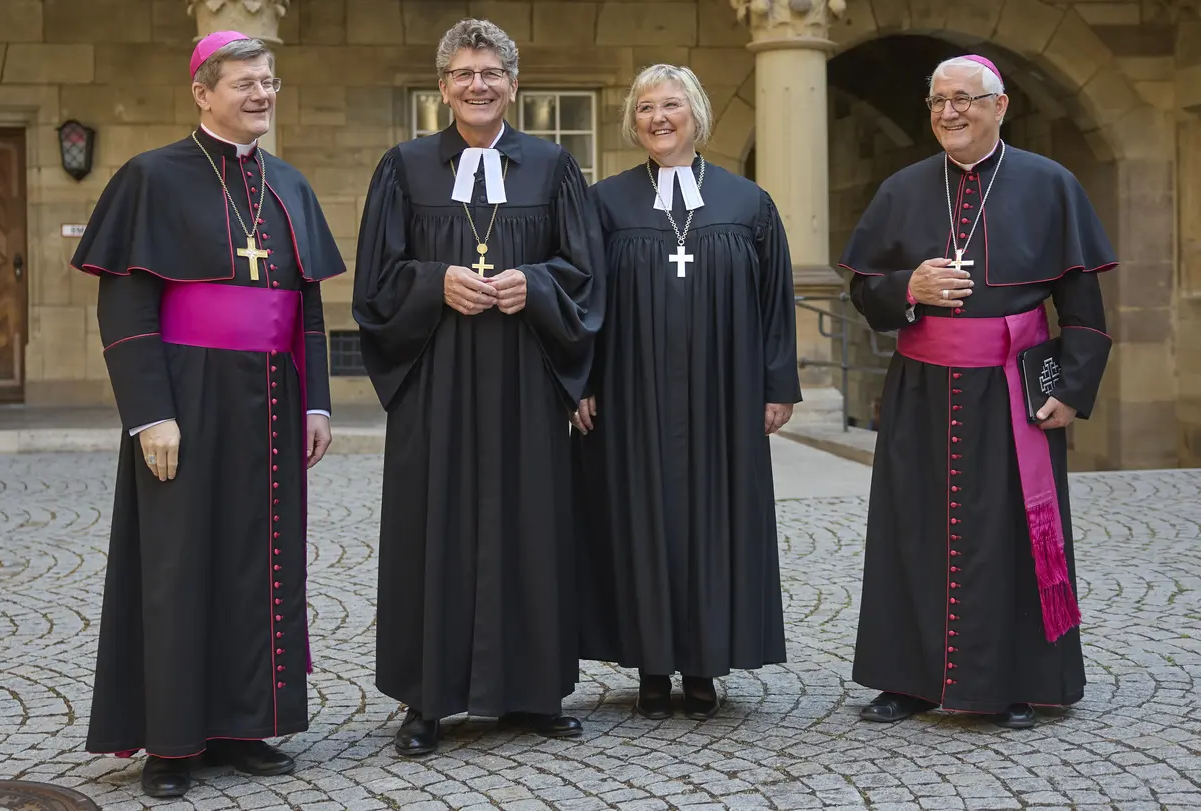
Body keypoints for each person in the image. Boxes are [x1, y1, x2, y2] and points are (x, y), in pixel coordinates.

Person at [70, 32, 346, 797]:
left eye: (270, 81)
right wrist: (149, 412)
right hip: (185, 397)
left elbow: (307, 306)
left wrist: (317, 397)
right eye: (246, 83)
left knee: (259, 564)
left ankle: (242, 722)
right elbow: (125, 303)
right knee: (178, 565)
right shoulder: (150, 177)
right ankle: (172, 742)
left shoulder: (289, 183)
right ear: (203, 91)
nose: (262, 94)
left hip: (271, 398)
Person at [840, 55, 1117, 730]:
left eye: (964, 99)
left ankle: (1014, 679)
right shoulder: (902, 188)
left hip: (1011, 393)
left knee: (1014, 535)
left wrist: (1073, 389)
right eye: (937, 101)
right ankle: (906, 679)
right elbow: (861, 290)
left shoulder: (1049, 185)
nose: (949, 112)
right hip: (919, 393)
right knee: (911, 529)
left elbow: (1082, 307)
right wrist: (908, 286)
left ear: (1000, 107)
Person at [352, 18, 604, 756]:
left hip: (526, 379)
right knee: (434, 527)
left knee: (533, 525)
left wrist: (537, 283)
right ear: (442, 87)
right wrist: (437, 283)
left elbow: (587, 275)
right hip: (438, 381)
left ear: (513, 84)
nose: (478, 85)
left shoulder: (554, 167)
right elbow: (376, 283)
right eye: (463, 73)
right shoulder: (403, 167)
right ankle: (427, 698)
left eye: (491, 72)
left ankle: (532, 692)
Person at [570, 64, 801, 720]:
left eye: (671, 104)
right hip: (629, 396)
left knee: (713, 520)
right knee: (639, 519)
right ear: (633, 122)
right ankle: (649, 662)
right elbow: (581, 299)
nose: (658, 117)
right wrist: (580, 381)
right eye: (645, 107)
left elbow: (774, 298)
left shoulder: (747, 202)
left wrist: (776, 382)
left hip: (723, 395)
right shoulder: (606, 202)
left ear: (697, 114)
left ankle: (702, 662)